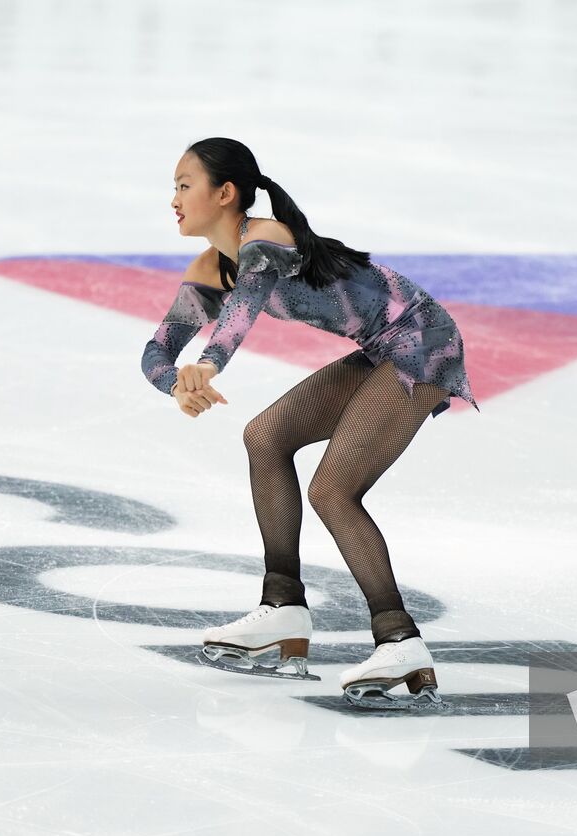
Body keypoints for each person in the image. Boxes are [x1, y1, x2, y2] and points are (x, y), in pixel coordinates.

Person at [141, 138, 476, 709]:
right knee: (265, 435)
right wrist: (176, 383)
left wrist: (208, 365)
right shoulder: (210, 268)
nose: (173, 199)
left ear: (225, 193)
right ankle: (282, 608)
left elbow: (242, 311)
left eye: (184, 185)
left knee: (332, 490)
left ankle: (400, 641)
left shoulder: (266, 239)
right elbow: (156, 349)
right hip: (381, 349)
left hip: (423, 342)